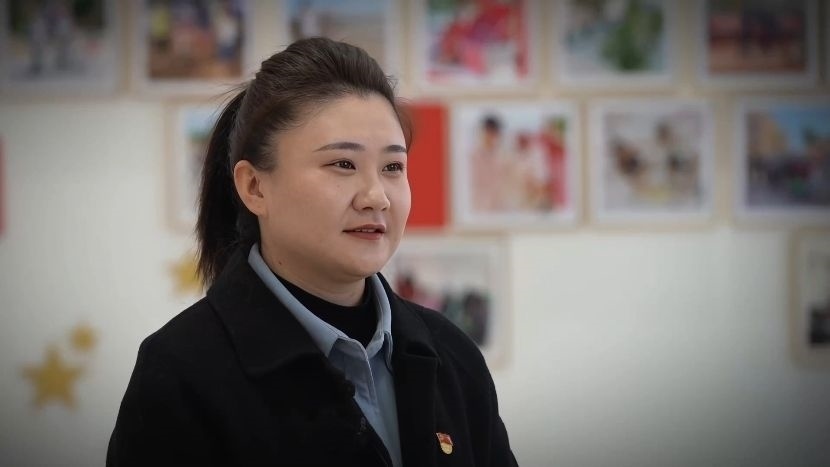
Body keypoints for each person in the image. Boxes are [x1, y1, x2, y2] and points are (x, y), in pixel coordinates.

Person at [106, 37, 517, 467]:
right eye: (343, 164)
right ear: (255, 187)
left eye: (393, 167)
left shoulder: (451, 353)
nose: (377, 196)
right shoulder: (181, 372)